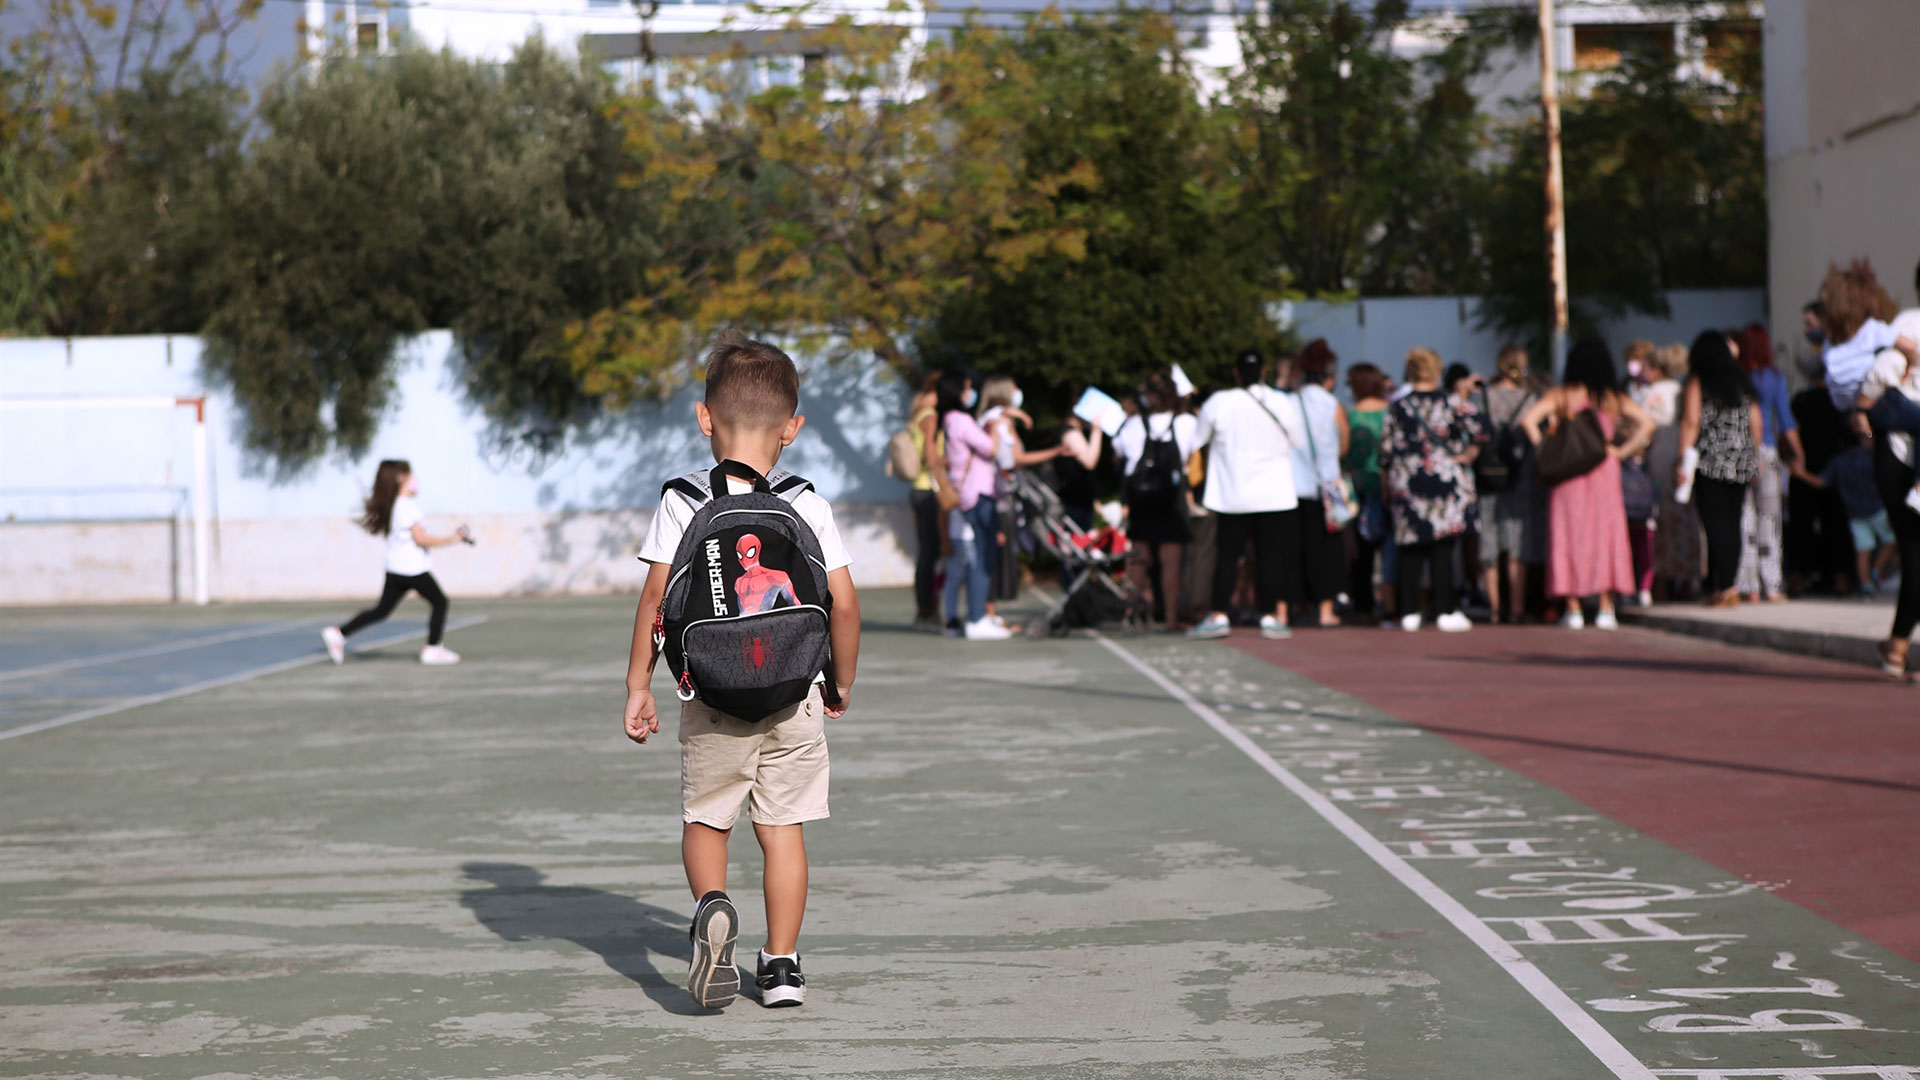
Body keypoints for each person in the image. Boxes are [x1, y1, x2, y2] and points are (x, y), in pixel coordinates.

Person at [620, 330, 861, 1010]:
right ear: (793, 427)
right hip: (793, 694)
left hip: (712, 694)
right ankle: (781, 966)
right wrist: (840, 680)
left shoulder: (682, 500)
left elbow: (655, 600)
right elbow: (843, 604)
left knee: (707, 821)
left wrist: (639, 684)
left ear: (705, 417)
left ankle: (712, 906)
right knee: (783, 830)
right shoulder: (807, 502)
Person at [1520, 339, 1652, 629]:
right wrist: (1621, 451)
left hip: (1567, 473)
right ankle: (1605, 607)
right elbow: (1646, 423)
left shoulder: (1562, 395)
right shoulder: (1612, 397)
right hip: (1604, 471)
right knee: (1606, 536)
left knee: (1568, 536)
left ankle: (1573, 608)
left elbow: (1529, 421)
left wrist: (1546, 449)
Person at [1186, 348, 1307, 641]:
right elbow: (1298, 440)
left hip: (1232, 493)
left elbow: (1196, 441)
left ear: (1236, 372)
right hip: (1274, 493)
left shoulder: (1219, 402)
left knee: (1227, 556)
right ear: (1264, 371)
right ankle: (1270, 616)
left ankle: (1219, 615)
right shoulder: (1281, 402)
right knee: (1270, 556)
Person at [322, 459, 469, 666]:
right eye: (411, 475)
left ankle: (339, 633)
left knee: (381, 611)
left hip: (396, 570)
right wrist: (452, 539)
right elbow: (421, 539)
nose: (415, 480)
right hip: (412, 570)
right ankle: (433, 649)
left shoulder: (396, 505)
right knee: (440, 601)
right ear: (402, 478)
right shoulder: (407, 507)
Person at [1382, 346, 1488, 632]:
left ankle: (1409, 611)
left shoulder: (1398, 406)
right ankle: (1444, 609)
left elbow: (1386, 450)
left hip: (1406, 479)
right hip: (1443, 477)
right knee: (1442, 547)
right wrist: (1469, 454)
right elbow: (1482, 427)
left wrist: (1386, 486)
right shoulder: (1451, 402)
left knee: (1410, 546)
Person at [1856, 290, 1920, 677]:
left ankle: (1897, 644)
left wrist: (1862, 413)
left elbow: (1881, 372)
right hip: (1904, 451)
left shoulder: (1909, 322)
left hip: (1899, 452)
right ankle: (1897, 643)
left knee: (1913, 549)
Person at [1675, 331, 1763, 608]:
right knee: (1733, 523)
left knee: (1714, 524)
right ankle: (1728, 584)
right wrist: (1754, 455)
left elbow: (1691, 422)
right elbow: (1756, 421)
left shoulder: (1699, 381)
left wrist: (1682, 459)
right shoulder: (1742, 381)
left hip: (1710, 461)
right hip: (1740, 459)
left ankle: (1725, 586)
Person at [1733, 323, 1810, 603]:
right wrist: (1799, 454)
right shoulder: (1773, 377)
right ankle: (1773, 584)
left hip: (1738, 452)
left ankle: (1748, 585)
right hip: (1766, 450)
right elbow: (1786, 421)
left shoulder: (1736, 376)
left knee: (1745, 519)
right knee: (1770, 519)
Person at [1116, 372, 1198, 630]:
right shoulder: (1186, 422)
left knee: (1138, 557)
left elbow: (1121, 454)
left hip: (1141, 497)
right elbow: (1191, 454)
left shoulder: (1133, 424)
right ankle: (1171, 617)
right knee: (1171, 560)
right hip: (1172, 497)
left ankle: (1130, 614)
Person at [1788, 307, 1858, 594]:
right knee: (1836, 523)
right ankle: (1840, 576)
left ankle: (1799, 575)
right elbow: (1854, 431)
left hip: (1806, 466)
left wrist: (1793, 459)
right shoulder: (1839, 400)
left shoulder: (1802, 401)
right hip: (1834, 464)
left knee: (1802, 523)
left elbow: (1790, 432)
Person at [937, 370, 1010, 639]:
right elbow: (990, 448)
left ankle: (977, 616)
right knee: (982, 557)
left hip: (968, 494)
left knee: (978, 556)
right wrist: (995, 429)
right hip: (978, 493)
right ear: (957, 392)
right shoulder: (961, 420)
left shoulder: (949, 420)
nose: (970, 393)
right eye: (967, 388)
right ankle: (977, 618)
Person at [1473, 345, 1541, 623]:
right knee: (1516, 543)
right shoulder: (1531, 398)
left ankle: (1493, 608)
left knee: (1488, 539)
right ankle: (1516, 607)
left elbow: (1475, 432)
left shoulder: (1483, 396)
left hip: (1488, 474)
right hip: (1521, 473)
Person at [1288, 340, 1350, 626]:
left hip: (1295, 484)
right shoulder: (1333, 405)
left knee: (1297, 547)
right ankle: (1326, 609)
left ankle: (1296, 604)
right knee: (1328, 549)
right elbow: (1343, 447)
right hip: (1328, 486)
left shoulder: (1291, 402)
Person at [1812, 432, 1895, 595]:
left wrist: (1801, 473)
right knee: (1891, 540)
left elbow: (1820, 482)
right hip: (1876, 507)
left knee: (1863, 550)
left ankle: (1865, 584)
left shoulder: (1838, 461)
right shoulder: (1870, 458)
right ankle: (1876, 570)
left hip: (1854, 512)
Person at [1344, 363, 1392, 620]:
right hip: (1387, 486)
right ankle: (1392, 600)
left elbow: (1343, 452)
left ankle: (1363, 604)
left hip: (1358, 486)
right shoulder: (1390, 412)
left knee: (1361, 550)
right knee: (1390, 546)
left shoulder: (1350, 416)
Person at [905, 379, 944, 631]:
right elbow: (930, 456)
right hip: (928, 489)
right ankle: (927, 610)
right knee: (931, 553)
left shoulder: (917, 414)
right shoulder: (930, 416)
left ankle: (925, 609)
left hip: (918, 489)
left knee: (926, 553)